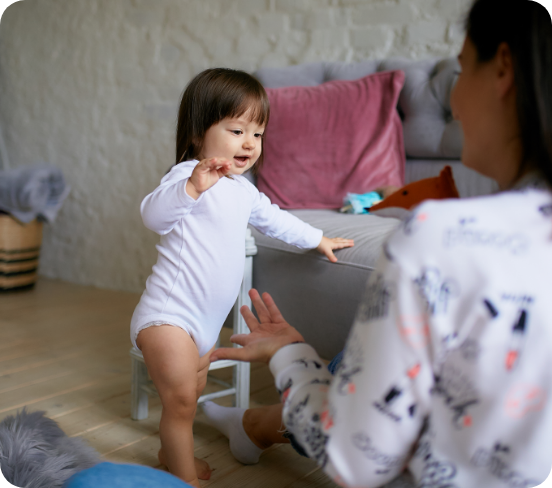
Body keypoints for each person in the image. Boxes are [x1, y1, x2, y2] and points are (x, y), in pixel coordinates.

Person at [208, 0, 552, 486]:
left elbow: (358, 458)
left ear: (502, 70)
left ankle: (256, 422)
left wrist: (287, 351)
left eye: (460, 72)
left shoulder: (439, 238)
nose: (454, 103)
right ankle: (256, 425)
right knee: (368, 357)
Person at [130, 68, 354, 487]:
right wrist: (193, 188)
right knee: (180, 400)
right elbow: (152, 217)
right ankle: (182, 477)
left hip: (205, 326)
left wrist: (317, 239)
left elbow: (276, 221)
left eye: (258, 133)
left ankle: (168, 451)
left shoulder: (244, 189)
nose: (250, 143)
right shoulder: (186, 178)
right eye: (236, 130)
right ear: (198, 133)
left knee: (187, 400)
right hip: (168, 317)